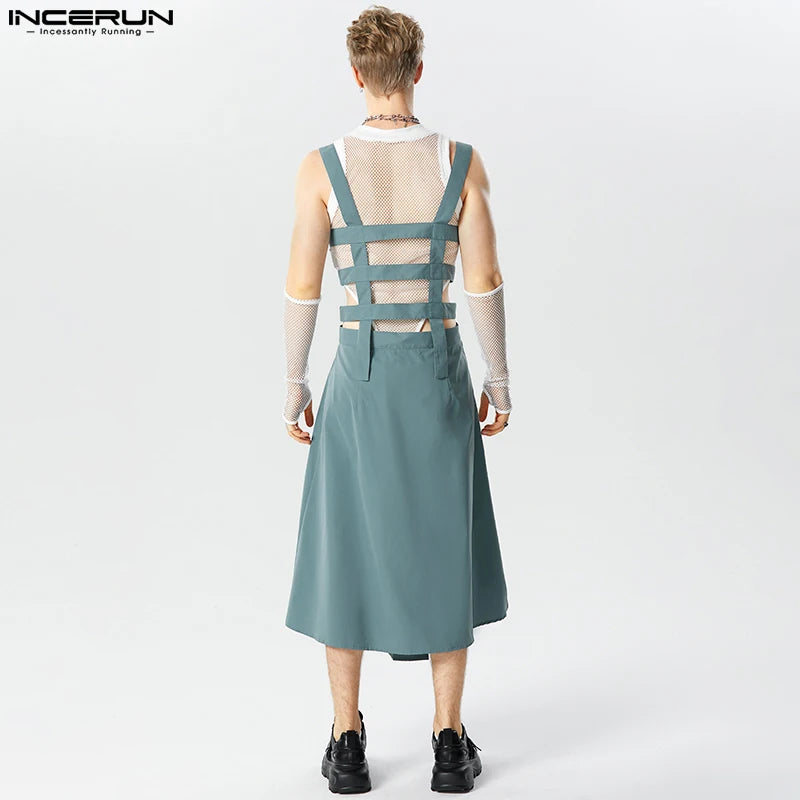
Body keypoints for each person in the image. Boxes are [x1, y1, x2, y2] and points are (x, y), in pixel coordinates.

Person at [281, 5, 513, 793]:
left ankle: (347, 741)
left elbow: (303, 287)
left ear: (357, 74)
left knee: (344, 551)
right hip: (438, 375)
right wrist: (500, 378)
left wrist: (293, 384)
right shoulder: (461, 163)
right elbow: (483, 279)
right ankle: (449, 743)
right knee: (444, 548)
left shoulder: (322, 167)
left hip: (359, 376)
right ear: (418, 70)